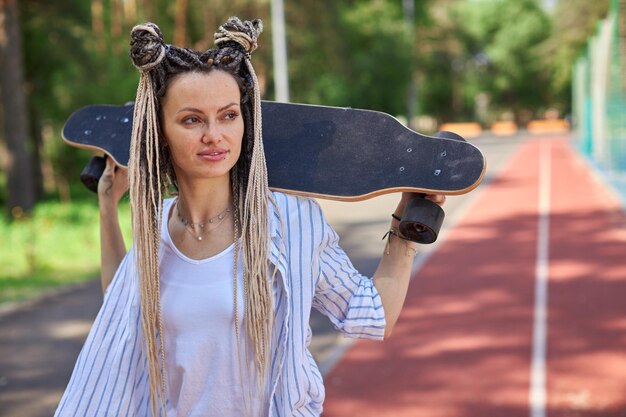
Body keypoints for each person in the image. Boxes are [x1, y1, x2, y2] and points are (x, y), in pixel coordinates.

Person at [54, 17, 445, 417]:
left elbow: (371, 314)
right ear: (160, 131)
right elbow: (119, 318)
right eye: (191, 119)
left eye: (227, 115)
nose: (214, 134)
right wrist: (107, 209)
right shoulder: (158, 231)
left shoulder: (290, 222)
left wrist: (404, 231)